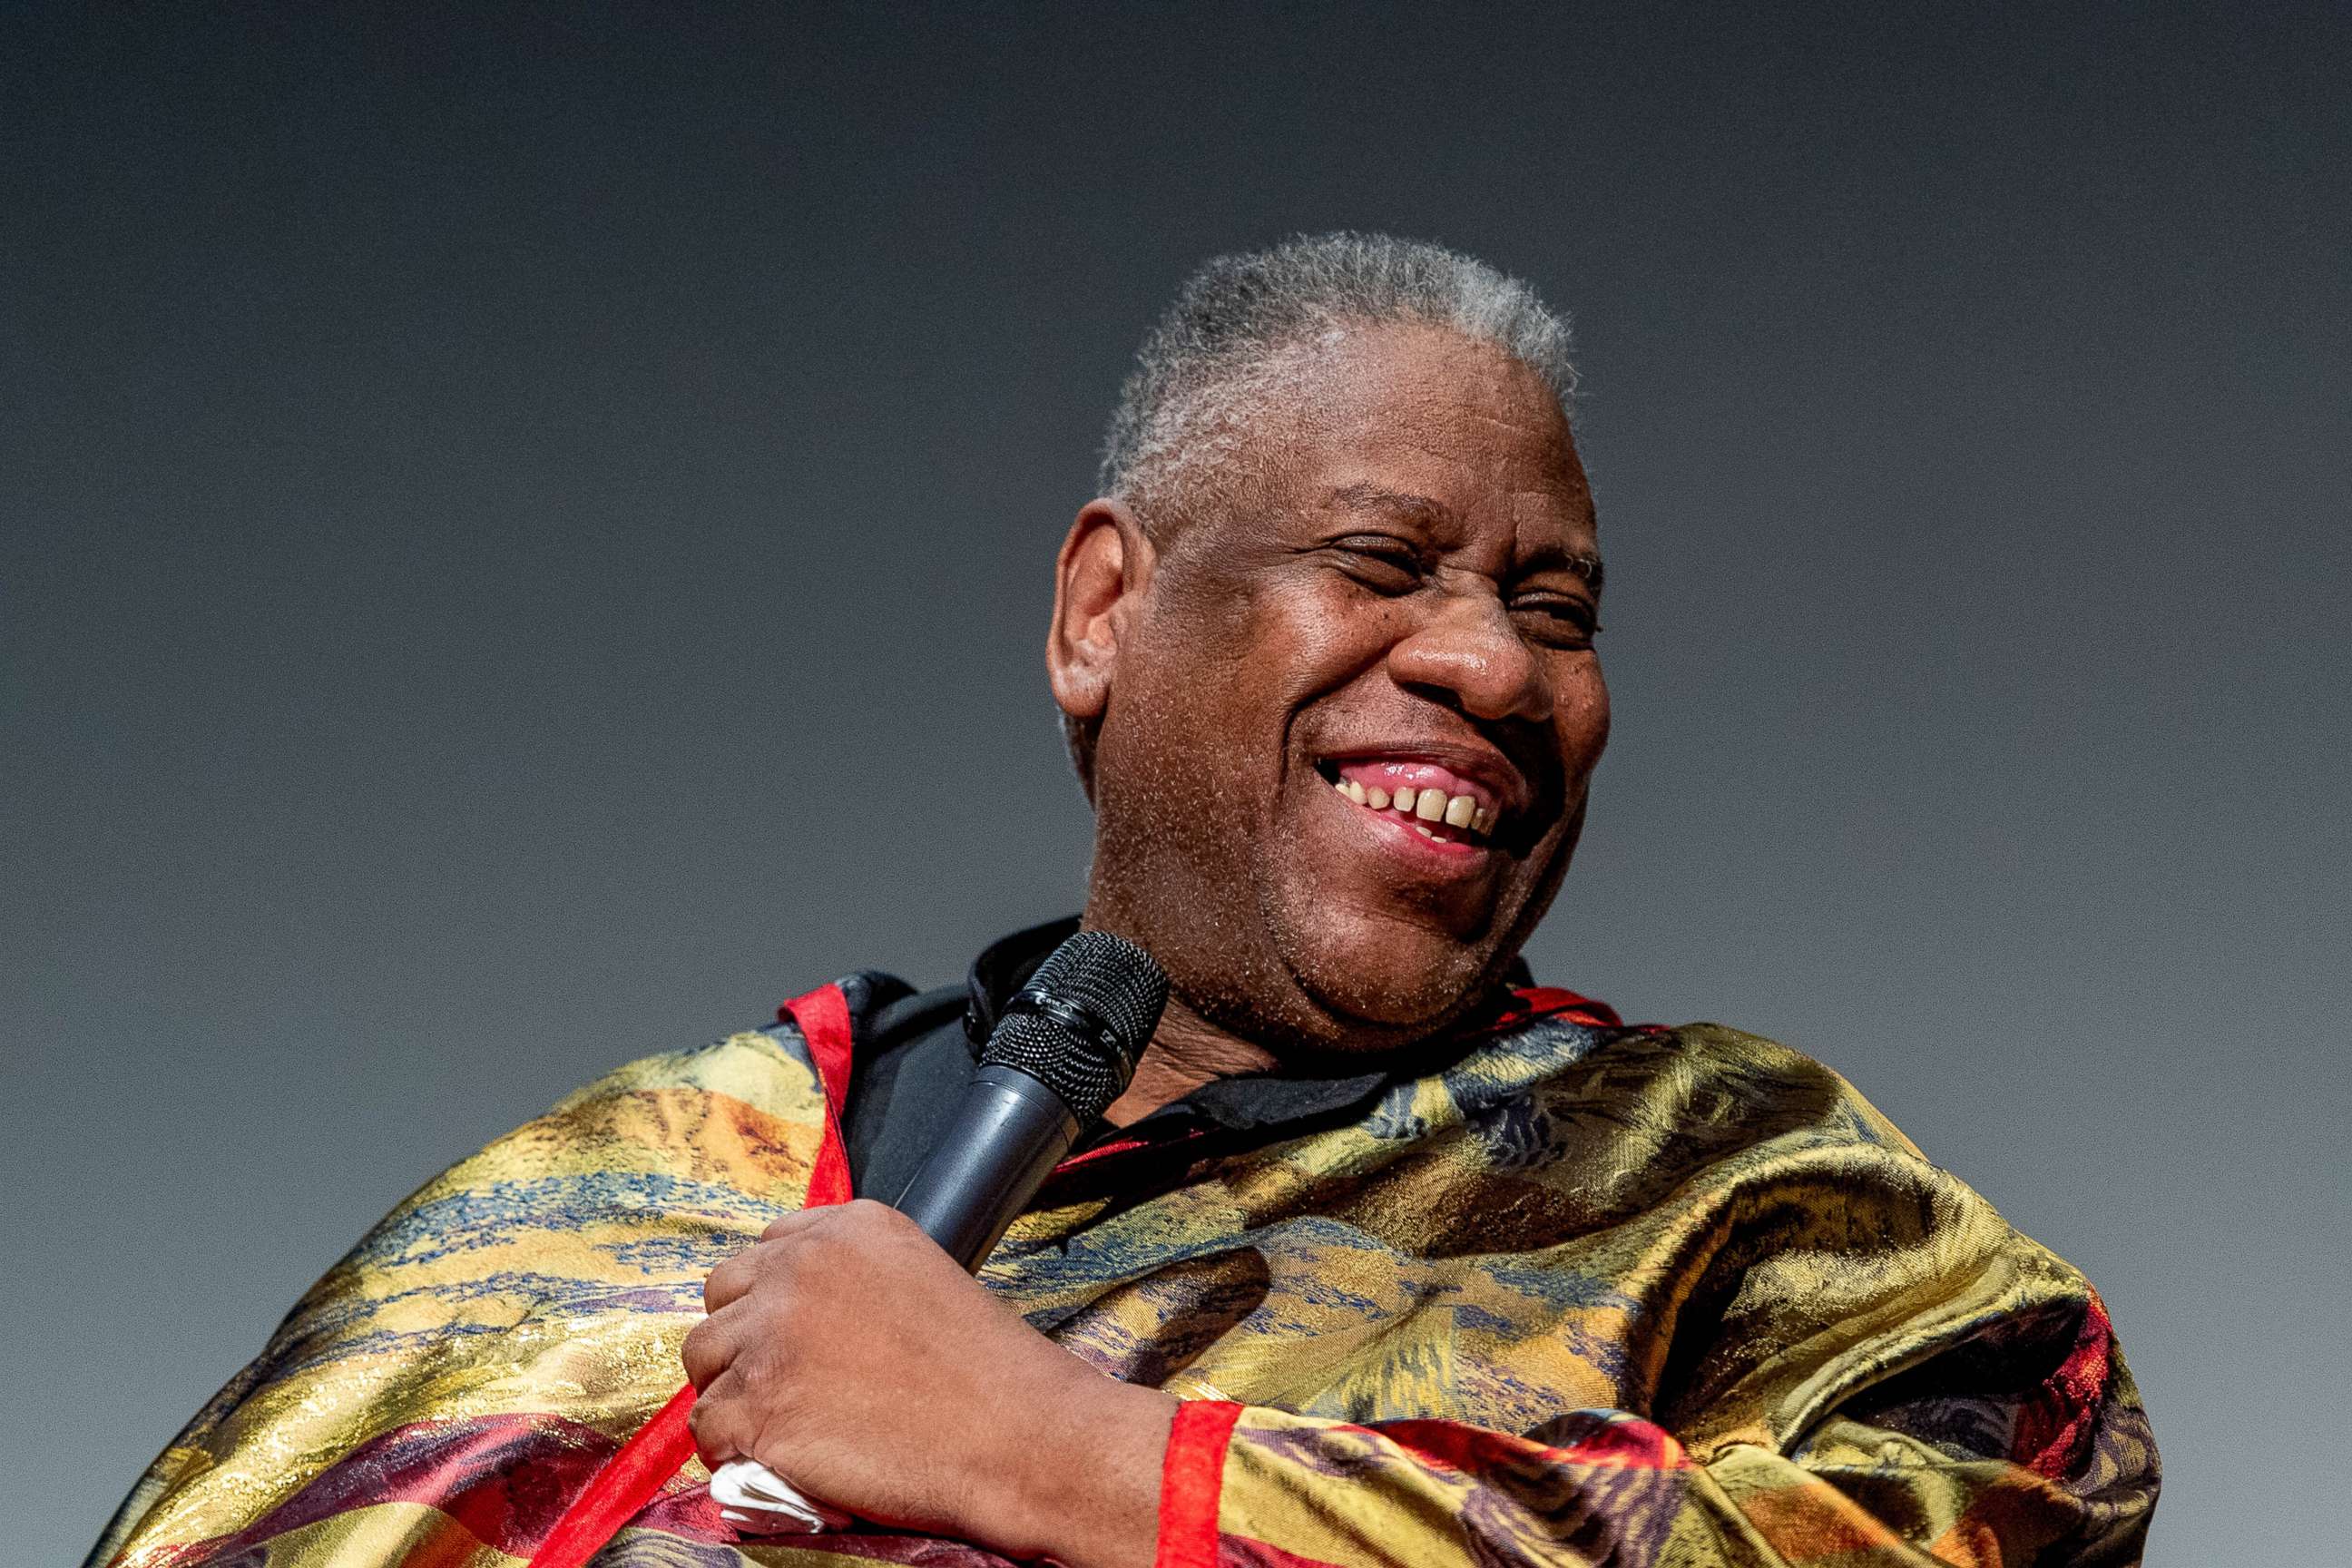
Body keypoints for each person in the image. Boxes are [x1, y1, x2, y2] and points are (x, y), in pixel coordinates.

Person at [86, 233, 2158, 1568]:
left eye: (1557, 608)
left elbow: (2001, 1529)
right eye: (1382, 561)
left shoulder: (1728, 1189)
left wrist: (1076, 1455)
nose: (1498, 667)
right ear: (1106, 614)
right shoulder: (635, 1173)